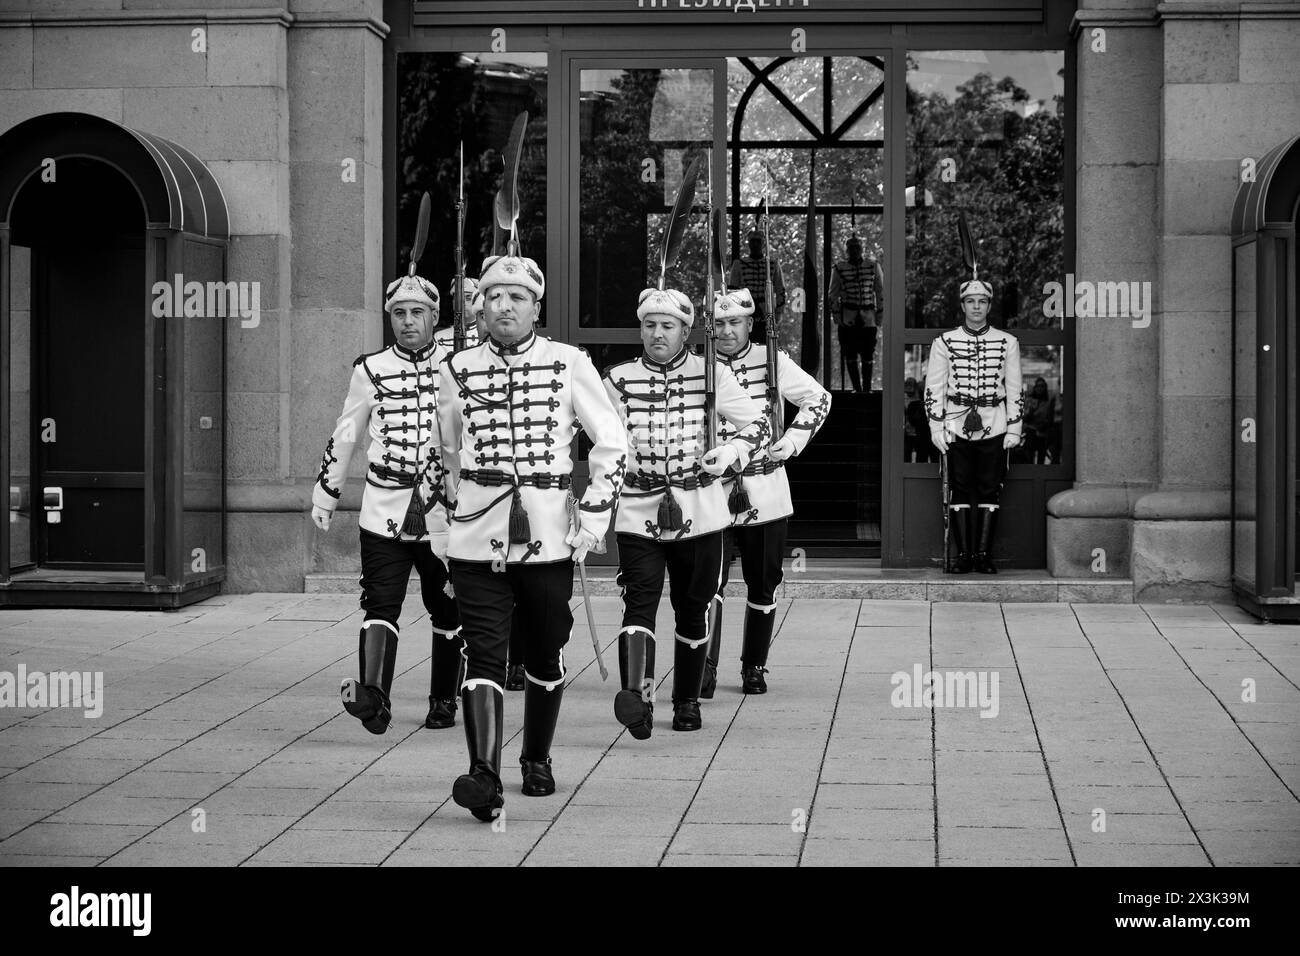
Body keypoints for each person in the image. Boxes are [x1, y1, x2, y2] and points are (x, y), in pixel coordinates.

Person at [437, 252, 627, 822]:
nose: (503, 307)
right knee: (484, 656)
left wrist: (591, 520)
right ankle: (484, 774)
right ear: (480, 307)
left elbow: (611, 441)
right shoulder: (456, 368)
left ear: (536, 307)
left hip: (545, 536)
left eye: (516, 298)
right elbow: (445, 451)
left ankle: (537, 757)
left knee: (544, 652)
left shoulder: (569, 363)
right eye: (493, 297)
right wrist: (447, 523)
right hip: (475, 536)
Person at [603, 287, 768, 738]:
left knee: (693, 609)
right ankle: (636, 697)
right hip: (638, 510)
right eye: (650, 325)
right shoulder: (617, 379)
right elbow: (592, 436)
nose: (657, 334)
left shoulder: (710, 374)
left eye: (668, 326)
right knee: (638, 604)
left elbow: (760, 425)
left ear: (686, 330)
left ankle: (687, 700)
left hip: (701, 510)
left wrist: (732, 451)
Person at [310, 269, 463, 733]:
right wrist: (327, 492)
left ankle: (443, 701)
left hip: (443, 512)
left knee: (449, 609)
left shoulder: (459, 364)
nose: (408, 321)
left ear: (435, 316)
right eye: (399, 313)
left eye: (418, 313)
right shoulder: (370, 369)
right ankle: (374, 699)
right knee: (380, 604)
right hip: (385, 510)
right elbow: (348, 432)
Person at [705, 287, 831, 696]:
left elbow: (819, 398)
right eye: (720, 323)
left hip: (764, 485)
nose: (727, 331)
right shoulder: (698, 364)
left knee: (764, 582)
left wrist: (793, 441)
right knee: (709, 584)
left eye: (735, 323)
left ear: (749, 323)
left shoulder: (771, 359)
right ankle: (704, 667)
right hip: (710, 490)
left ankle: (753, 666)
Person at [924, 273, 1023, 574]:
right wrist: (936, 426)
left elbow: (1017, 388)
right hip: (955, 426)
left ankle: (983, 556)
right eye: (971, 302)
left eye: (982, 302)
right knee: (960, 488)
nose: (976, 307)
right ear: (963, 305)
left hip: (995, 425)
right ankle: (964, 556)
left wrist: (1015, 427)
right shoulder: (944, 342)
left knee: (990, 489)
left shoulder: (1008, 342)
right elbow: (934, 388)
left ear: (989, 305)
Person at [828, 234, 884, 392]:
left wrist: (880, 316)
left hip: (868, 317)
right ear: (846, 250)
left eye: (857, 247)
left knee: (868, 354)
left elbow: (880, 292)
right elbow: (833, 294)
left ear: (862, 249)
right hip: (848, 318)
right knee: (849, 354)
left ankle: (867, 389)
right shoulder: (839, 268)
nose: (854, 250)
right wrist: (838, 317)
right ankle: (857, 389)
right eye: (851, 247)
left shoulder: (873, 266)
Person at [727, 228, 786, 341]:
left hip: (767, 313)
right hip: (746, 313)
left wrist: (778, 315)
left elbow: (780, 291)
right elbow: (732, 292)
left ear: (763, 243)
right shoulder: (739, 264)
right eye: (752, 241)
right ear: (748, 243)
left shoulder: (773, 264)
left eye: (758, 241)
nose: (755, 244)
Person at [434, 277, 485, 352]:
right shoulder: (439, 337)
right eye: (458, 298)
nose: (463, 303)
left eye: (468, 298)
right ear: (453, 302)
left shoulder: (488, 334)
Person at [1022, 377, 1054, 464]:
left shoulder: (1048, 402)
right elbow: (1024, 418)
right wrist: (1031, 412)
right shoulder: (1029, 400)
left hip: (1043, 432)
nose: (1040, 388)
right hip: (1030, 431)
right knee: (1029, 456)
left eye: (1042, 386)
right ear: (1035, 388)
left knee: (1041, 456)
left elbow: (1050, 418)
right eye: (1038, 386)